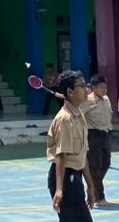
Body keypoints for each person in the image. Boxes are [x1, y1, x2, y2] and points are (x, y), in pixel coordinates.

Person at [46, 69, 95, 221]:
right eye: (82, 86)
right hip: (65, 178)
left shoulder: (79, 116)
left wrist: (90, 186)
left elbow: (82, 155)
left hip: (75, 176)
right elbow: (61, 155)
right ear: (70, 92)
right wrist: (59, 189)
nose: (86, 89)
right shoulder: (65, 119)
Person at [82, 75, 114, 207]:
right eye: (101, 87)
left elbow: (109, 114)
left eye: (105, 87)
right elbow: (79, 115)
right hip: (93, 135)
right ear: (93, 87)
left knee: (106, 163)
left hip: (105, 134)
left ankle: (93, 186)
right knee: (95, 166)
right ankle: (100, 198)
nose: (104, 89)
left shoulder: (106, 99)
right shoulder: (87, 100)